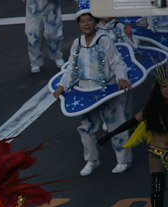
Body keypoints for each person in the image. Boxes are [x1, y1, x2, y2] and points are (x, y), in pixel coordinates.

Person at [52, 9, 132, 176]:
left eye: (89, 20)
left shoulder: (104, 41)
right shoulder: (77, 43)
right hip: (87, 93)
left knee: (116, 126)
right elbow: (71, 68)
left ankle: (123, 160)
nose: (86, 24)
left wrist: (121, 78)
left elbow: (117, 62)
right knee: (86, 128)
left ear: (95, 22)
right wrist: (62, 86)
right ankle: (92, 160)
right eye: (82, 21)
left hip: (106, 91)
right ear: (79, 25)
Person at [98, 71, 168, 207]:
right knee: (157, 190)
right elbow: (131, 122)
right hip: (156, 153)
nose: (167, 89)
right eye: (164, 86)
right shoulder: (151, 108)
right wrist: (110, 134)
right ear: (158, 88)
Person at [25, 0, 64, 74]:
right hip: (33, 3)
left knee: (53, 32)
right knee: (32, 33)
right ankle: (35, 60)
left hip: (51, 3)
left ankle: (57, 55)